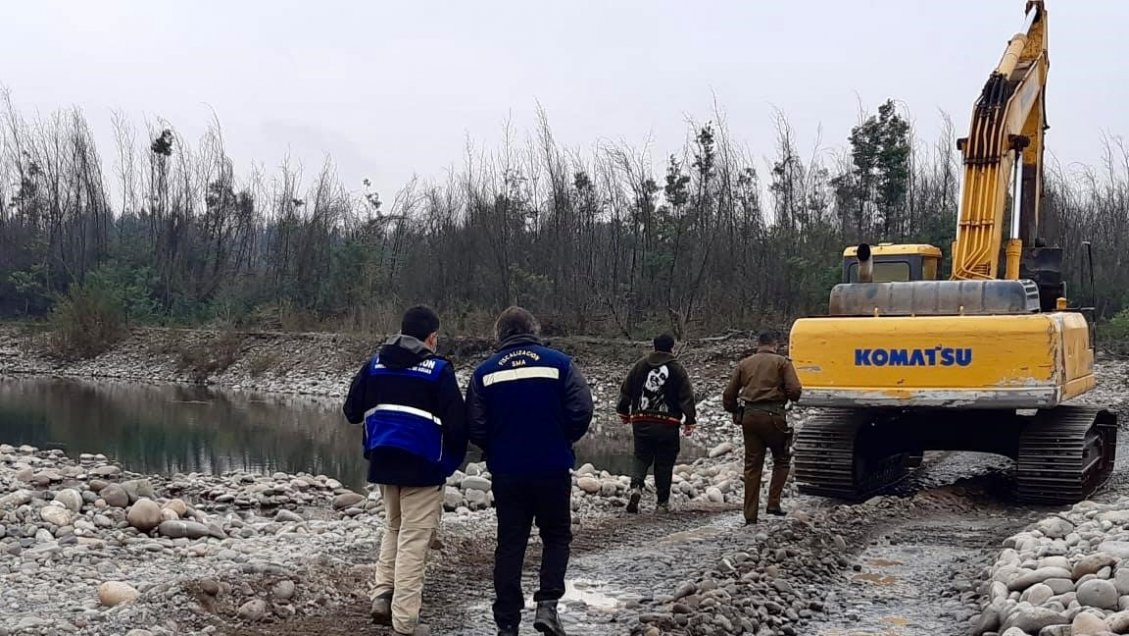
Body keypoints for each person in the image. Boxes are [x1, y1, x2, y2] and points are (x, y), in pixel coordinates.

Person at [467, 306, 594, 636]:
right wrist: (562, 438)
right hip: (552, 466)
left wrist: (494, 448)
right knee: (556, 536)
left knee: (510, 543)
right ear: (534, 331)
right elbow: (582, 409)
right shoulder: (560, 364)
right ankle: (548, 606)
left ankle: (507, 621)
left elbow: (475, 425)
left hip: (507, 470)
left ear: (499, 335)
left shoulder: (484, 373)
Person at [342, 305, 467, 636]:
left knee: (393, 529)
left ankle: (382, 594)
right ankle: (405, 622)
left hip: (383, 462)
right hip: (424, 468)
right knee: (414, 540)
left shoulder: (374, 364)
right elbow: (458, 426)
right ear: (431, 337)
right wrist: (450, 463)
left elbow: (351, 411)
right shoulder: (439, 371)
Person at [722, 331, 802, 525]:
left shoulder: (744, 364)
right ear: (775, 345)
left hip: (749, 418)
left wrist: (736, 410)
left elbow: (728, 395)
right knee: (782, 459)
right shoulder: (782, 362)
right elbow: (795, 391)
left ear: (758, 344)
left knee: (752, 465)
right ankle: (773, 503)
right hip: (774, 417)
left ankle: (750, 515)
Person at [616, 333, 697, 514]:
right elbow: (686, 396)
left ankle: (636, 486)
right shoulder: (677, 369)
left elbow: (626, 389)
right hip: (668, 423)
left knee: (641, 456)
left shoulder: (640, 365)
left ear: (654, 346)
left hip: (641, 419)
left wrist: (623, 411)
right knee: (664, 462)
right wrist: (690, 420)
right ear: (672, 348)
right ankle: (661, 503)